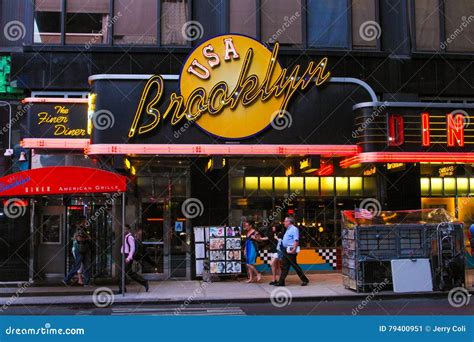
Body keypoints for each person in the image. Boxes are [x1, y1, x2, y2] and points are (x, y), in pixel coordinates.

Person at [274, 217, 309, 286]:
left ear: (289, 222)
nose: (284, 222)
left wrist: (294, 249)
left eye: (285, 221)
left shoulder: (294, 229)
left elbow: (296, 240)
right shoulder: (288, 229)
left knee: (295, 266)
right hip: (286, 250)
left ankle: (305, 280)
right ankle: (281, 282)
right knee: (285, 266)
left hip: (291, 250)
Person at [118, 225, 149, 293]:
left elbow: (132, 249)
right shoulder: (125, 237)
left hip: (127, 256)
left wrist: (128, 258)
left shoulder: (130, 237)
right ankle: (122, 289)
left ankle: (144, 282)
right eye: (123, 229)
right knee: (122, 273)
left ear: (128, 230)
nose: (124, 230)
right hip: (123, 255)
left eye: (125, 229)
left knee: (129, 273)